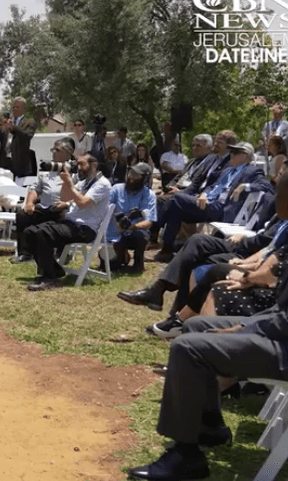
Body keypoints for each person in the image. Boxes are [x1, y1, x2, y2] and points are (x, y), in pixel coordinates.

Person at [125, 170, 288, 481]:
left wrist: (244, 330)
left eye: (280, 189)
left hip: (284, 348)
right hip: (281, 331)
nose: (274, 194)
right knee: (196, 328)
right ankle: (209, 427)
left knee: (189, 348)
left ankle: (186, 456)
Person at [118, 212, 287, 322]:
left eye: (282, 174)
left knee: (199, 248)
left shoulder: (278, 201)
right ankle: (165, 300)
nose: (278, 176)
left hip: (248, 247)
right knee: (196, 243)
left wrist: (247, 255)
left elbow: (268, 247)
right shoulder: (279, 206)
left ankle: (172, 310)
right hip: (246, 242)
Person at [153, 141, 272, 263]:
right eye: (231, 151)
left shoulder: (252, 171)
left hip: (222, 208)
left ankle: (153, 232)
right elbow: (212, 186)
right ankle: (166, 250)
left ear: (246, 156)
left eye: (236, 152)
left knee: (176, 199)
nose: (231, 154)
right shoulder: (228, 170)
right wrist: (204, 194)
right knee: (176, 207)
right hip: (208, 203)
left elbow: (267, 187)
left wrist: (244, 186)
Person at [24, 154, 112, 291]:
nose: (78, 167)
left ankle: (50, 278)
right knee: (30, 232)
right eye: (78, 164)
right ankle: (54, 270)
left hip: (85, 229)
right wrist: (66, 181)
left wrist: (70, 185)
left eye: (82, 164)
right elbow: (65, 197)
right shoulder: (84, 182)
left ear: (94, 165)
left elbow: (83, 203)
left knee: (43, 233)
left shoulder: (102, 184)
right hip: (70, 223)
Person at [13, 137, 76, 263]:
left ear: (68, 151)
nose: (53, 152)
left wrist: (67, 203)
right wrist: (29, 203)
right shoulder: (47, 170)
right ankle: (25, 253)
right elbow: (35, 189)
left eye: (57, 150)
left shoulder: (76, 171)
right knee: (22, 215)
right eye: (52, 149)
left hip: (62, 210)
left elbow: (81, 194)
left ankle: (61, 254)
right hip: (44, 208)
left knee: (65, 217)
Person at [107, 163, 157, 273]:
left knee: (141, 235)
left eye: (136, 175)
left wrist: (130, 227)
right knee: (110, 265)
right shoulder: (116, 189)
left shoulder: (149, 195)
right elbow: (105, 209)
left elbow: (148, 222)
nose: (131, 177)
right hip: (115, 232)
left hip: (135, 231)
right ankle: (122, 256)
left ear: (144, 178)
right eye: (131, 173)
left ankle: (138, 263)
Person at [0, 97, 37, 179]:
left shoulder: (29, 122)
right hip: (5, 164)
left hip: (20, 165)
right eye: (13, 107)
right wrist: (2, 129)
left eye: (17, 107)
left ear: (24, 109)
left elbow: (27, 136)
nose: (14, 109)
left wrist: (14, 128)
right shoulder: (7, 122)